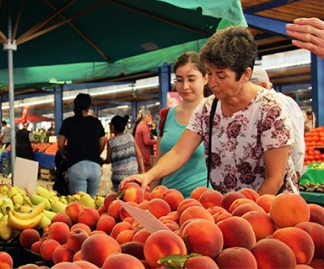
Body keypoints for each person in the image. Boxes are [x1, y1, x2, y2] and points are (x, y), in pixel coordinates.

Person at [120, 26, 297, 196]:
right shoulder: (208, 107)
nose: (212, 83)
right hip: (227, 207)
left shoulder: (270, 109)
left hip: (269, 208)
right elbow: (178, 152)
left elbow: (275, 179)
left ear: (245, 75)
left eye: (221, 76)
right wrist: (148, 176)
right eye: (210, 73)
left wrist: (249, 214)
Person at [153, 51, 211, 198]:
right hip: (167, 201)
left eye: (191, 79)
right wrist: (151, 198)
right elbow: (158, 162)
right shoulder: (166, 116)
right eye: (179, 80)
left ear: (205, 79)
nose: (185, 86)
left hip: (203, 203)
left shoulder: (215, 114)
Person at [251, 67, 306, 184]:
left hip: (282, 178)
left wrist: (297, 171)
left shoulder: (281, 102)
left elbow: (296, 139)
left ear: (264, 85)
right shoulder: (254, 107)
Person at [58, 93, 107, 198]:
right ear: (89, 106)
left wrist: (64, 155)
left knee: (80, 204)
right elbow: (103, 142)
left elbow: (61, 143)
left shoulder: (68, 122)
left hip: (76, 165)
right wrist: (96, 153)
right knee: (92, 201)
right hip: (95, 166)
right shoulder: (96, 122)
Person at [105, 115, 145, 191]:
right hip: (133, 175)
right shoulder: (130, 137)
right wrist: (142, 172)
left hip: (118, 177)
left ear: (112, 127)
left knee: (119, 198)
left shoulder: (111, 142)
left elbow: (108, 160)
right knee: (133, 197)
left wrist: (102, 161)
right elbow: (139, 155)